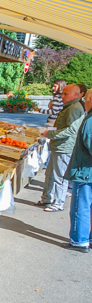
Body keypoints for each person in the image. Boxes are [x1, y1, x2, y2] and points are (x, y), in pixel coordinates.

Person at [38, 84, 85, 211]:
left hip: (64, 147)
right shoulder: (70, 107)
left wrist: (51, 133)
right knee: (50, 173)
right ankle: (47, 199)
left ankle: (58, 203)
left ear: (76, 95)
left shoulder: (74, 108)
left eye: (65, 94)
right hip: (58, 145)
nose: (62, 96)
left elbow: (71, 130)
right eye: (62, 93)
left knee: (59, 176)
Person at [63, 90, 92, 252]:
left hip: (85, 171)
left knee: (81, 207)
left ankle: (79, 240)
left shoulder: (90, 121)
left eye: (86, 99)